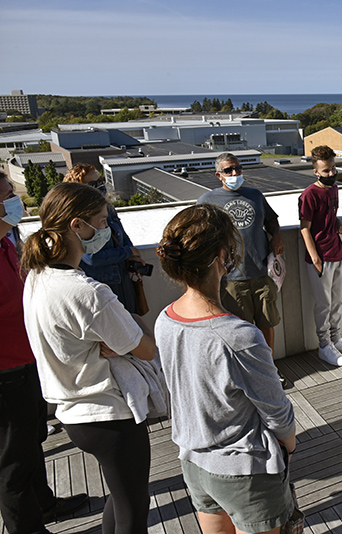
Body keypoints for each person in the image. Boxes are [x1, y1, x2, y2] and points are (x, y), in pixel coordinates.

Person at [21, 182, 157, 534]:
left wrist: (122, 336)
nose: (106, 228)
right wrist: (132, 334)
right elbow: (145, 348)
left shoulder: (38, 277)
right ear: (77, 226)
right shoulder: (88, 293)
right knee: (134, 508)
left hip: (74, 413)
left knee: (120, 496)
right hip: (109, 415)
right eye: (100, 220)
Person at [154, 205, 296, 534]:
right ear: (222, 255)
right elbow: (277, 413)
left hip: (193, 462)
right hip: (246, 473)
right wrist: (288, 446)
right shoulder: (239, 336)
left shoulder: (165, 320)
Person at [1, 173, 89, 533]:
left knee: (32, 441)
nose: (15, 200)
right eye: (8, 195)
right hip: (6, 373)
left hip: (28, 363)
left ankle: (45, 503)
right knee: (12, 462)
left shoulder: (8, 243)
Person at [197, 153, 291, 388]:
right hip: (231, 279)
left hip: (261, 272)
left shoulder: (255, 195)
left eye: (237, 168)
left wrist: (276, 235)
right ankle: (248, 373)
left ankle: (269, 368)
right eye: (228, 170)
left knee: (267, 323)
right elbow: (200, 236)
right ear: (219, 175)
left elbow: (271, 221)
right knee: (241, 330)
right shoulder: (207, 200)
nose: (234, 174)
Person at [299, 145, 342, 367]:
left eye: (333, 168)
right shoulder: (308, 195)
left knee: (337, 301)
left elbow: (328, 213)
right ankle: (324, 345)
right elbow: (305, 228)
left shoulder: (334, 189)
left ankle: (336, 338)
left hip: (337, 252)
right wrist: (315, 258)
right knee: (323, 304)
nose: (331, 173)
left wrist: (336, 221)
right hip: (321, 257)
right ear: (316, 171)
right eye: (326, 171)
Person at [63, 163, 144, 314]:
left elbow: (122, 236)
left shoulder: (108, 209)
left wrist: (133, 256)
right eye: (93, 184)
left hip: (123, 280)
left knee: (132, 323)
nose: (100, 186)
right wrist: (128, 252)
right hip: (101, 286)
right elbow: (91, 258)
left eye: (101, 181)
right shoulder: (78, 222)